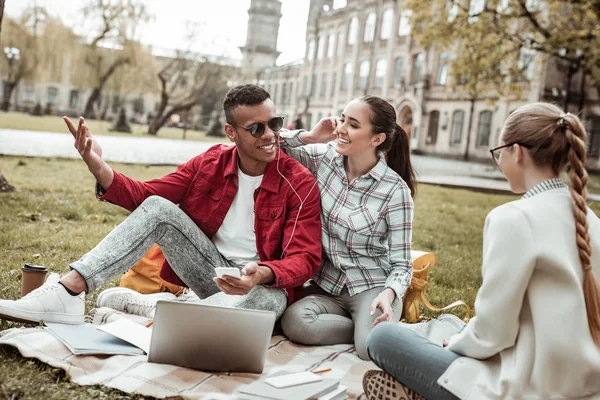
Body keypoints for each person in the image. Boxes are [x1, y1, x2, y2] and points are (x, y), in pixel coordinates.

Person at [0, 84, 322, 325]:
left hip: (261, 285)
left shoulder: (298, 181)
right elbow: (145, 196)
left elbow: (305, 258)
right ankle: (69, 292)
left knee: (270, 301)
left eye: (275, 123)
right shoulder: (210, 163)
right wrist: (100, 168)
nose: (270, 135)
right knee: (158, 208)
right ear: (231, 133)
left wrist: (262, 273)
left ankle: (162, 310)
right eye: (256, 128)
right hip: (210, 273)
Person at [363, 103, 600, 400]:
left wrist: (457, 345)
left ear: (517, 152)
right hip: (581, 381)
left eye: (499, 152)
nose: (499, 161)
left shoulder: (514, 219)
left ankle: (418, 389)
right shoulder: (589, 220)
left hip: (523, 386)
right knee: (449, 326)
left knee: (383, 337)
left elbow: (493, 334)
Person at [278, 95, 416, 360]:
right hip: (327, 284)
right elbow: (273, 143)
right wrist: (310, 136)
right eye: (342, 119)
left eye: (353, 124)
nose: (340, 128)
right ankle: (359, 328)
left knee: (369, 349)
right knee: (294, 322)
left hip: (371, 287)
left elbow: (401, 265)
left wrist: (389, 295)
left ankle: (368, 332)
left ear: (377, 139)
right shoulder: (325, 159)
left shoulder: (395, 191)